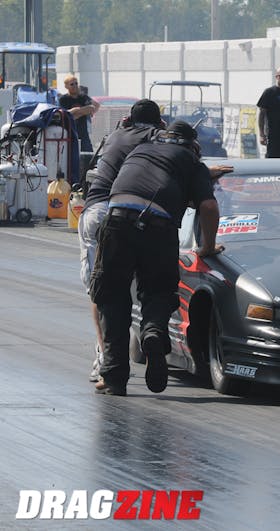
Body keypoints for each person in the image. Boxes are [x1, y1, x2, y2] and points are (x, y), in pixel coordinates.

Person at [90, 121, 232, 396]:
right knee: (158, 292)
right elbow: (208, 205)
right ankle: (153, 332)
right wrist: (209, 247)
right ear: (193, 145)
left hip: (117, 220)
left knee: (112, 298)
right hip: (158, 226)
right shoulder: (191, 162)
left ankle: (114, 377)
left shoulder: (141, 150)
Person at [79, 99, 164, 383]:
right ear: (158, 122)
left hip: (98, 209)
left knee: (100, 290)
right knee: (132, 287)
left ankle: (105, 358)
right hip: (137, 215)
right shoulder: (159, 139)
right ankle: (142, 339)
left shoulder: (116, 136)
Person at [59, 75, 100, 152]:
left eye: (76, 83)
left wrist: (76, 112)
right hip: (69, 134)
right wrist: (82, 111)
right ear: (66, 86)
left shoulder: (83, 97)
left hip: (83, 134)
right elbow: (66, 114)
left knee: (87, 156)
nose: (75, 86)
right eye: (72, 84)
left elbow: (94, 106)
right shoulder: (63, 99)